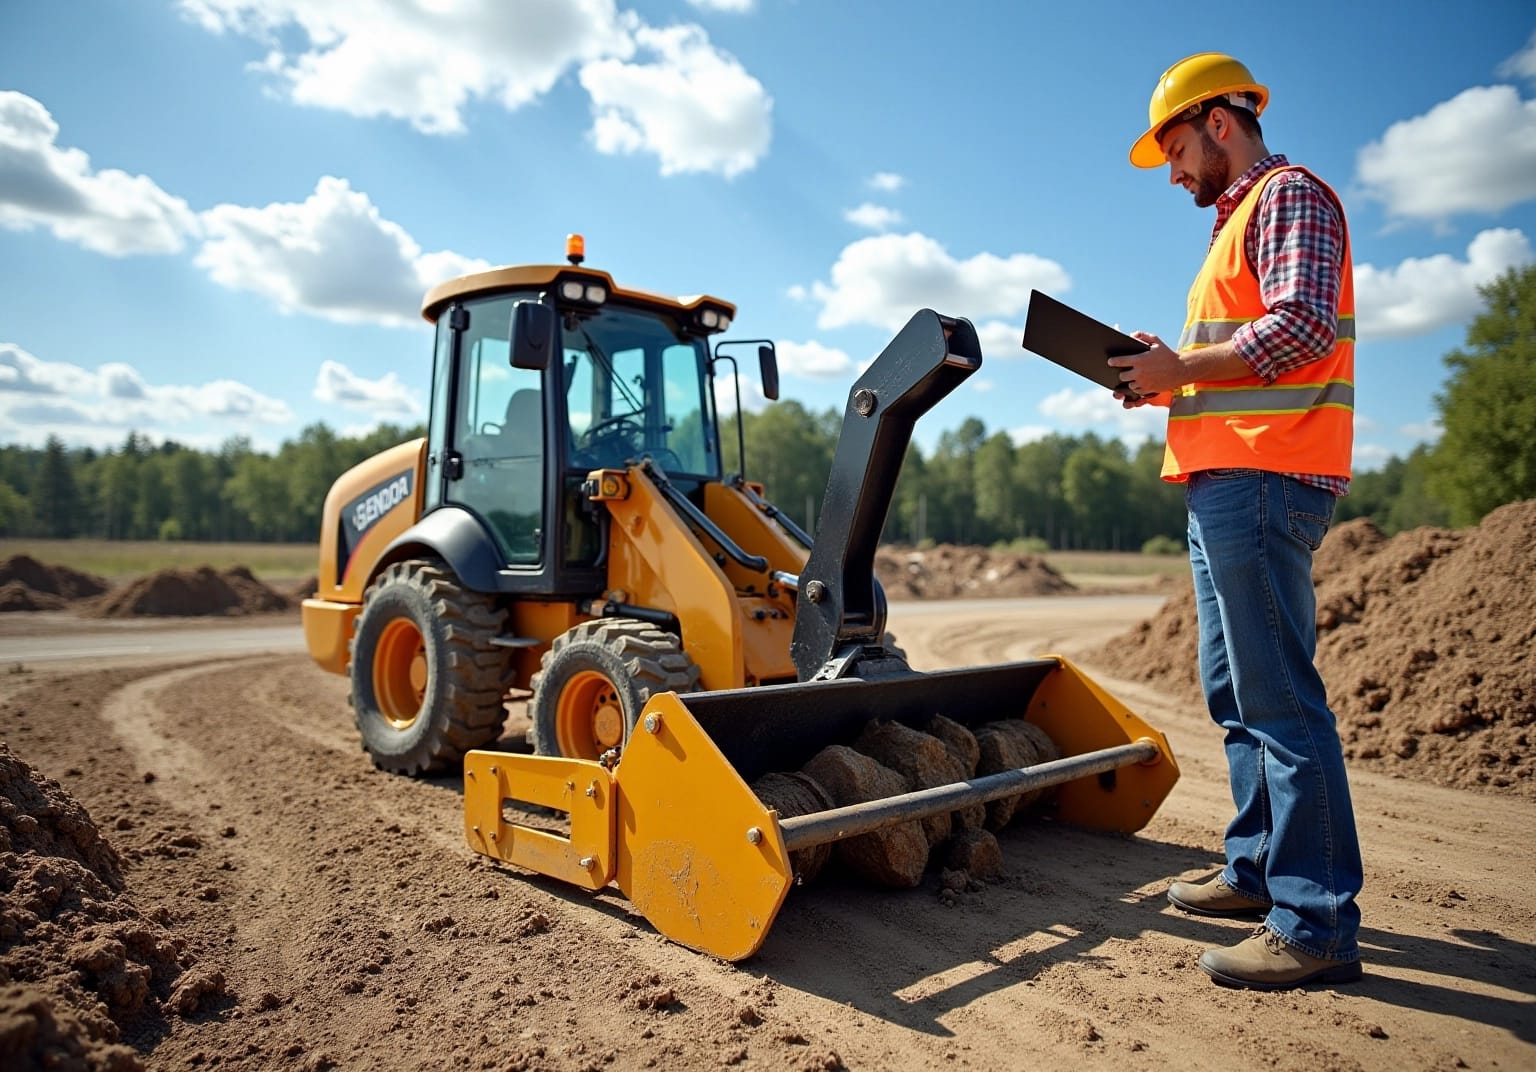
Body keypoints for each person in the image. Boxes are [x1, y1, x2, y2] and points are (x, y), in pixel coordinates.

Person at [1109, 52, 1363, 991]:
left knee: (1280, 701)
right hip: (1224, 478)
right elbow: (1237, 348)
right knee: (1234, 692)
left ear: (1221, 122)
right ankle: (1259, 873)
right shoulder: (1234, 226)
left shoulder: (1288, 196)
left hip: (1265, 477)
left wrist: (1185, 371)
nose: (1172, 173)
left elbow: (1297, 328)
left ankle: (1317, 921)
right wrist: (1163, 370)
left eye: (1175, 149)